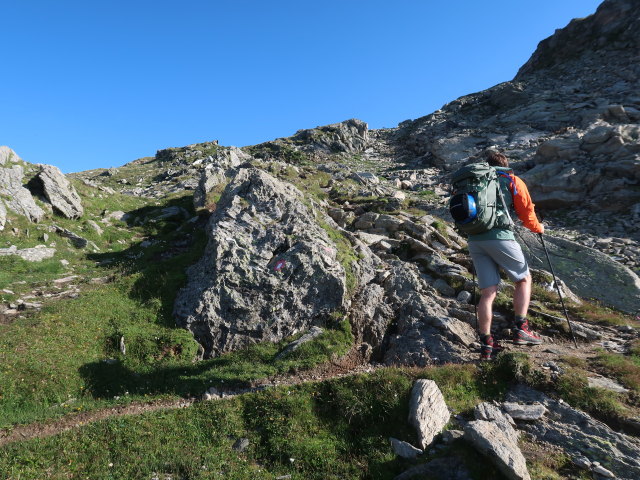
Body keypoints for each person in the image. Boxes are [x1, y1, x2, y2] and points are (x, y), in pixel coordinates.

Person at [468, 151, 544, 360]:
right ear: (505, 164)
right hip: (500, 237)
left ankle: (487, 345)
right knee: (523, 278)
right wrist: (538, 228)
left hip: (475, 240)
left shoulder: (475, 180)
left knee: (488, 293)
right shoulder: (511, 179)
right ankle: (521, 328)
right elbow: (526, 213)